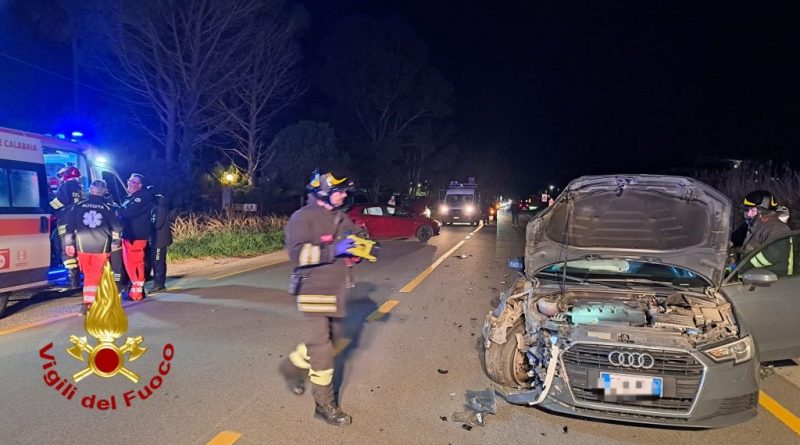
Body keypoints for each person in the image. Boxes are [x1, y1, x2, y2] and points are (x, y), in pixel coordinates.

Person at [279, 170, 363, 427]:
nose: (344, 195)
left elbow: (355, 237)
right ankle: (324, 404)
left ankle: (292, 367)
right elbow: (297, 255)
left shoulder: (340, 216)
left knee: (331, 341)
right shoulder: (302, 217)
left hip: (337, 291)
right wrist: (334, 250)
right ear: (323, 192)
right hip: (313, 291)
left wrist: (359, 249)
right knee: (323, 349)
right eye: (339, 191)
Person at [64, 180, 122, 315]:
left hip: (83, 246)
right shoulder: (108, 208)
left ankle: (90, 303)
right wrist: (115, 242)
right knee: (96, 275)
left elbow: (69, 226)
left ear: (90, 190)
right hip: (101, 247)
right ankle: (90, 304)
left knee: (89, 275)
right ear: (104, 191)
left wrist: (69, 243)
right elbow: (117, 227)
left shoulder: (79, 205)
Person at [738, 190, 792, 275]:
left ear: (762, 211)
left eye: (752, 210)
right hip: (755, 277)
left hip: (776, 280)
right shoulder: (757, 226)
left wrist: (742, 266)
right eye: (747, 210)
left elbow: (772, 256)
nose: (748, 214)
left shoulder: (777, 229)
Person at [118, 173, 153, 301]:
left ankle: (137, 293)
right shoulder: (131, 197)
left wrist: (113, 207)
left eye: (132, 182)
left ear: (139, 185)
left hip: (136, 237)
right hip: (129, 236)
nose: (129, 183)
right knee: (130, 265)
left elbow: (126, 212)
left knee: (136, 264)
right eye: (129, 180)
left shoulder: (141, 197)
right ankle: (135, 290)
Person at [49, 166, 84, 288]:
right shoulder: (80, 189)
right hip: (79, 223)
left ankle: (72, 280)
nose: (61, 179)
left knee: (67, 252)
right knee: (75, 250)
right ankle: (76, 277)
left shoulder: (66, 185)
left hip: (66, 222)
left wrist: (48, 205)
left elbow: (60, 202)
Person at [149, 190, 173, 293]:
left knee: (158, 263)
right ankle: (159, 283)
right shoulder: (161, 208)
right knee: (158, 262)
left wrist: (147, 225)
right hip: (160, 240)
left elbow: (157, 224)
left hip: (159, 241)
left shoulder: (158, 210)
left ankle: (159, 284)